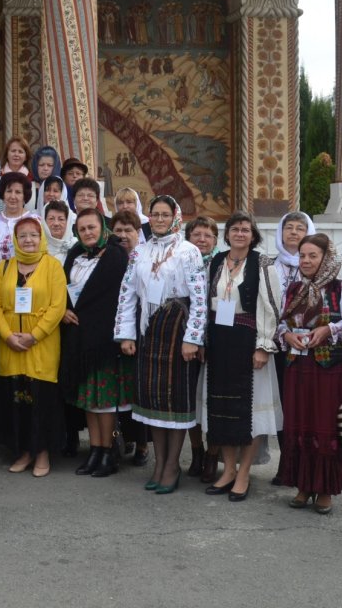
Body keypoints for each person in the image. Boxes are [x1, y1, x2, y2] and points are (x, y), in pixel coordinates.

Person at [114, 196, 207, 494]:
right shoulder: (140, 251)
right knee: (152, 397)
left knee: (174, 398)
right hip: (148, 327)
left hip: (176, 327)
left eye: (165, 214)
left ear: (175, 217)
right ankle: (159, 462)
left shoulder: (188, 251)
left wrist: (193, 338)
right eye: (155, 214)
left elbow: (200, 299)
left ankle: (172, 465)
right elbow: (127, 294)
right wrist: (127, 334)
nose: (159, 219)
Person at [276, 233, 342, 515]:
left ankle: (324, 489)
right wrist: (286, 336)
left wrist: (329, 329)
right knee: (299, 423)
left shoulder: (339, 289)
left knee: (324, 424)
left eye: (313, 255)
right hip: (298, 368)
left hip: (328, 369)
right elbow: (280, 323)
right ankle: (304, 485)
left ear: (326, 258)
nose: (307, 260)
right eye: (302, 255)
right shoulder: (293, 289)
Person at [201, 213, 283, 502]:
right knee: (221, 408)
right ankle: (229, 470)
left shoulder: (262, 264)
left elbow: (272, 306)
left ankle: (245, 472)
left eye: (245, 229)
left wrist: (264, 345)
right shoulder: (215, 261)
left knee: (250, 411)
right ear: (227, 234)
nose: (239, 233)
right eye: (235, 229)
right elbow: (204, 302)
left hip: (249, 342)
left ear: (253, 235)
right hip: (219, 342)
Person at [0, 217, 68, 477]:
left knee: (41, 401)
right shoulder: (5, 266)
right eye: (22, 235)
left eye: (33, 235)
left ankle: (42, 453)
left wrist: (34, 336)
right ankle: (23, 451)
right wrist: (8, 336)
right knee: (17, 401)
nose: (28, 240)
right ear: (15, 239)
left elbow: (57, 307)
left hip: (41, 345)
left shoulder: (53, 266)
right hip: (10, 344)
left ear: (41, 237)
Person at [62, 209, 131, 478]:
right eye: (82, 229)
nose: (88, 233)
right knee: (89, 400)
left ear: (103, 229)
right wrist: (64, 309)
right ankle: (94, 449)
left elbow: (121, 297)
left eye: (92, 227)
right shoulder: (74, 255)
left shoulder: (116, 255)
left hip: (105, 338)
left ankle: (109, 449)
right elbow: (63, 287)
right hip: (80, 338)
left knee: (107, 403)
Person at [269, 210, 314, 485]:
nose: (294, 232)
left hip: (309, 348)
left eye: (300, 228)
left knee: (305, 407)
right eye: (289, 227)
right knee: (282, 406)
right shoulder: (269, 266)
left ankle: (306, 467)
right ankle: (286, 465)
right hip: (277, 347)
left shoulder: (319, 267)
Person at [110, 209, 149, 467]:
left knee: (137, 386)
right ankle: (122, 438)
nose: (123, 236)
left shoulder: (144, 258)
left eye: (128, 231)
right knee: (118, 386)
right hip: (113, 329)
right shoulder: (109, 256)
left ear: (138, 233)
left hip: (140, 328)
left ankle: (143, 443)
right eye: (118, 231)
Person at [184, 214, 220, 481]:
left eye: (208, 235)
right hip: (187, 339)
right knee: (191, 401)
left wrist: (206, 341)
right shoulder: (183, 261)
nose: (202, 239)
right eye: (197, 234)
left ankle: (212, 456)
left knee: (213, 402)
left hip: (216, 342)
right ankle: (196, 452)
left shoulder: (223, 263)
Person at [0, 172, 35, 260]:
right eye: (9, 191)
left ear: (24, 196)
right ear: (3, 194)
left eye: (18, 192)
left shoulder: (35, 221)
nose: (12, 196)